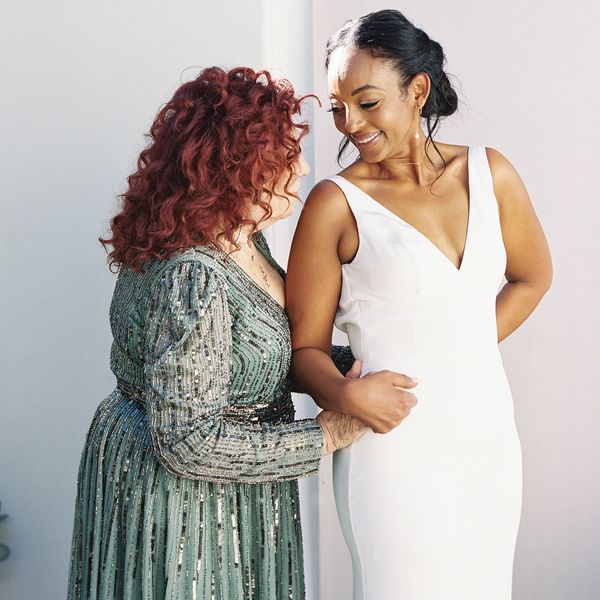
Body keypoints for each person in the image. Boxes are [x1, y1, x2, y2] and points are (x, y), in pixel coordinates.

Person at [66, 66, 368, 600]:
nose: (300, 173)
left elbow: (248, 360)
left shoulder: (243, 239)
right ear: (239, 168)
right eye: (284, 156)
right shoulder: (193, 273)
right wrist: (326, 434)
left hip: (227, 489)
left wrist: (355, 363)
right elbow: (188, 441)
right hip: (183, 503)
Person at [286, 9, 553, 600]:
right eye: (337, 107)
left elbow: (533, 277)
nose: (349, 123)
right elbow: (302, 347)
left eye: (366, 102)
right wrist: (344, 394)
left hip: (484, 439)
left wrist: (467, 346)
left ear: (418, 90)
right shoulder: (334, 204)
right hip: (392, 450)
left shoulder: (490, 174)